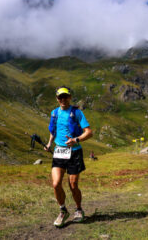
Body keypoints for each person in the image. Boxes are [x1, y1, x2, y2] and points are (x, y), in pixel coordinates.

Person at [45, 86, 93, 227]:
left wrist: (76, 140)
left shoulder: (77, 113)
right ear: (57, 99)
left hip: (74, 152)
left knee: (73, 185)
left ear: (70, 97)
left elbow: (89, 132)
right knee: (56, 183)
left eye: (65, 96)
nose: (63, 99)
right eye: (60, 97)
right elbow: (53, 131)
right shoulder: (54, 113)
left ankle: (78, 209)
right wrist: (49, 143)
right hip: (59, 152)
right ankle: (63, 211)